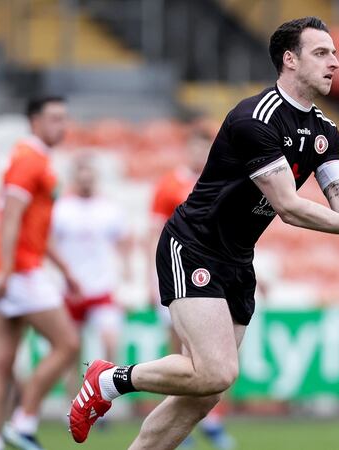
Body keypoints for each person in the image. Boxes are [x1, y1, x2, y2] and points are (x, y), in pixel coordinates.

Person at [70, 17, 339, 449]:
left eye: (335, 53)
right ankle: (109, 379)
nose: (335, 63)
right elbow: (289, 207)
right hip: (193, 246)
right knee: (215, 372)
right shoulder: (255, 118)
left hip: (237, 258)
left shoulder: (325, 132)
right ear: (290, 60)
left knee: (208, 389)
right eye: (322, 53)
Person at [0, 97, 81, 450]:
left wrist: (65, 268)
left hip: (9, 267)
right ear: (34, 121)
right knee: (68, 343)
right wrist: (8, 268)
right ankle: (23, 422)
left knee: (1, 361)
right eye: (54, 118)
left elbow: (38, 226)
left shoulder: (34, 159)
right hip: (19, 269)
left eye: (64, 119)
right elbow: (11, 217)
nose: (61, 126)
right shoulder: (29, 159)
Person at [149, 128, 235, 450]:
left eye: (206, 149)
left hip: (214, 275)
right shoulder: (170, 185)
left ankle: (209, 419)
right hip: (178, 272)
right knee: (180, 351)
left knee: (214, 355)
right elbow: (155, 232)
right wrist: (151, 277)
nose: (201, 155)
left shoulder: (218, 182)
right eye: (197, 149)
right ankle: (178, 425)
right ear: (188, 150)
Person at [52, 154, 129, 371]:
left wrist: (126, 270)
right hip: (71, 289)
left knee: (111, 341)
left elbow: (123, 240)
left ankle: (108, 394)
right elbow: (49, 244)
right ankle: (73, 399)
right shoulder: (61, 209)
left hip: (101, 286)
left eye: (89, 178)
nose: (85, 182)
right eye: (81, 178)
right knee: (71, 348)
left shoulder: (109, 208)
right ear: (73, 179)